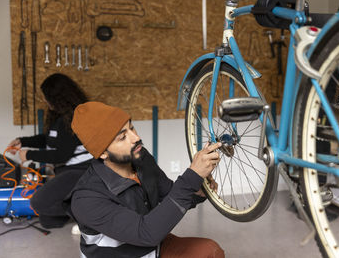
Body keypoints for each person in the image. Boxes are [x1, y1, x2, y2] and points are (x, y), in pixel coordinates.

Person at [65, 101, 225, 258]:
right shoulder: (86, 199)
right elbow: (145, 233)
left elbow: (171, 195)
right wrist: (191, 177)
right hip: (130, 249)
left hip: (153, 247)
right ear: (102, 153)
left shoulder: (141, 158)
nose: (135, 137)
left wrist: (198, 190)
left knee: (210, 251)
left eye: (131, 127)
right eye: (122, 137)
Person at [7, 73, 93, 229]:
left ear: (58, 97)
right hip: (66, 171)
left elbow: (60, 155)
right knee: (48, 221)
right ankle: (80, 208)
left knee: (38, 202)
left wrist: (29, 155)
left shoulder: (75, 118)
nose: (45, 101)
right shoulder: (60, 118)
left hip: (81, 171)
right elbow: (50, 139)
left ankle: (89, 212)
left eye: (47, 97)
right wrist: (23, 142)